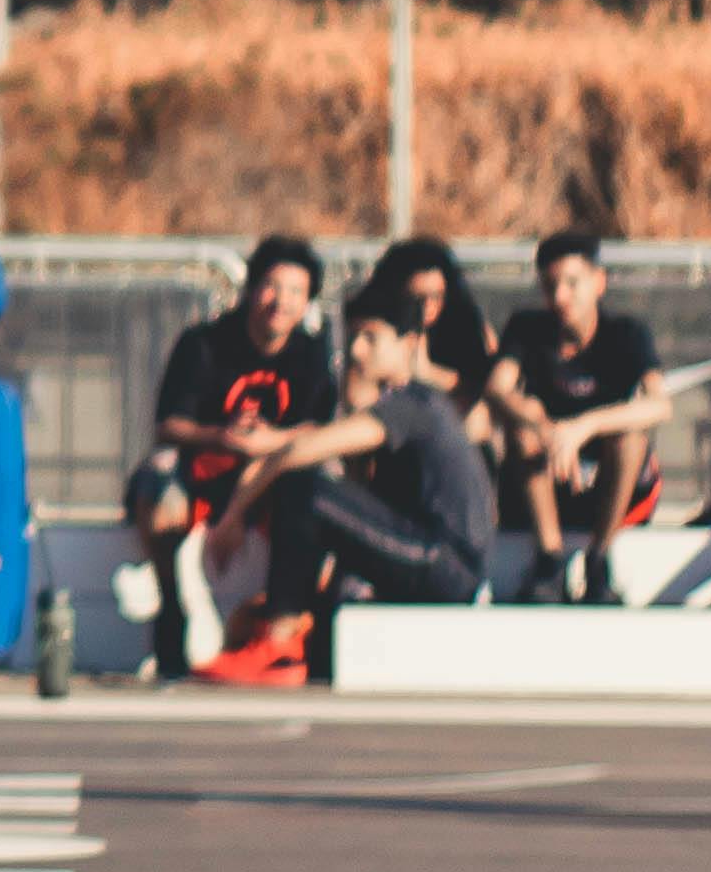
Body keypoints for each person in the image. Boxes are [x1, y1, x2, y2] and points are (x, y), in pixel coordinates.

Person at [196, 302, 494, 678]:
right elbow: (357, 502)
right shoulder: (395, 403)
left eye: (371, 339)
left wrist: (233, 514)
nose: (356, 350)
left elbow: (301, 450)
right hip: (425, 552)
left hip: (448, 564)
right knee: (331, 562)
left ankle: (279, 641)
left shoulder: (414, 402)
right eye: (353, 338)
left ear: (410, 344)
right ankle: (285, 639)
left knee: (304, 486)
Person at [122, 234, 333, 679]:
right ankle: (171, 609)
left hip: (272, 479)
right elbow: (169, 424)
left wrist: (267, 444)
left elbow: (319, 429)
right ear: (251, 288)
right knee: (157, 485)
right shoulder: (204, 343)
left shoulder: (311, 355)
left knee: (320, 487)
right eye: (273, 287)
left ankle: (290, 628)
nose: (282, 302)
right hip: (205, 467)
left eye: (296, 292)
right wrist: (223, 435)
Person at [489, 229, 666, 599]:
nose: (560, 296)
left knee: (631, 437)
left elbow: (660, 404)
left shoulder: (627, 333)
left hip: (608, 487)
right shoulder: (527, 328)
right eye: (551, 285)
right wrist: (545, 427)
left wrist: (584, 427)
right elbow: (497, 389)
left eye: (572, 283)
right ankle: (550, 559)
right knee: (522, 430)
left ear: (598, 282)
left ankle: (599, 559)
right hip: (548, 479)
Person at [356, 232, 498, 422]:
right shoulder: (373, 327)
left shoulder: (463, 324)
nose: (426, 308)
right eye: (416, 298)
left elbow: (478, 385)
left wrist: (428, 372)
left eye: (436, 297)